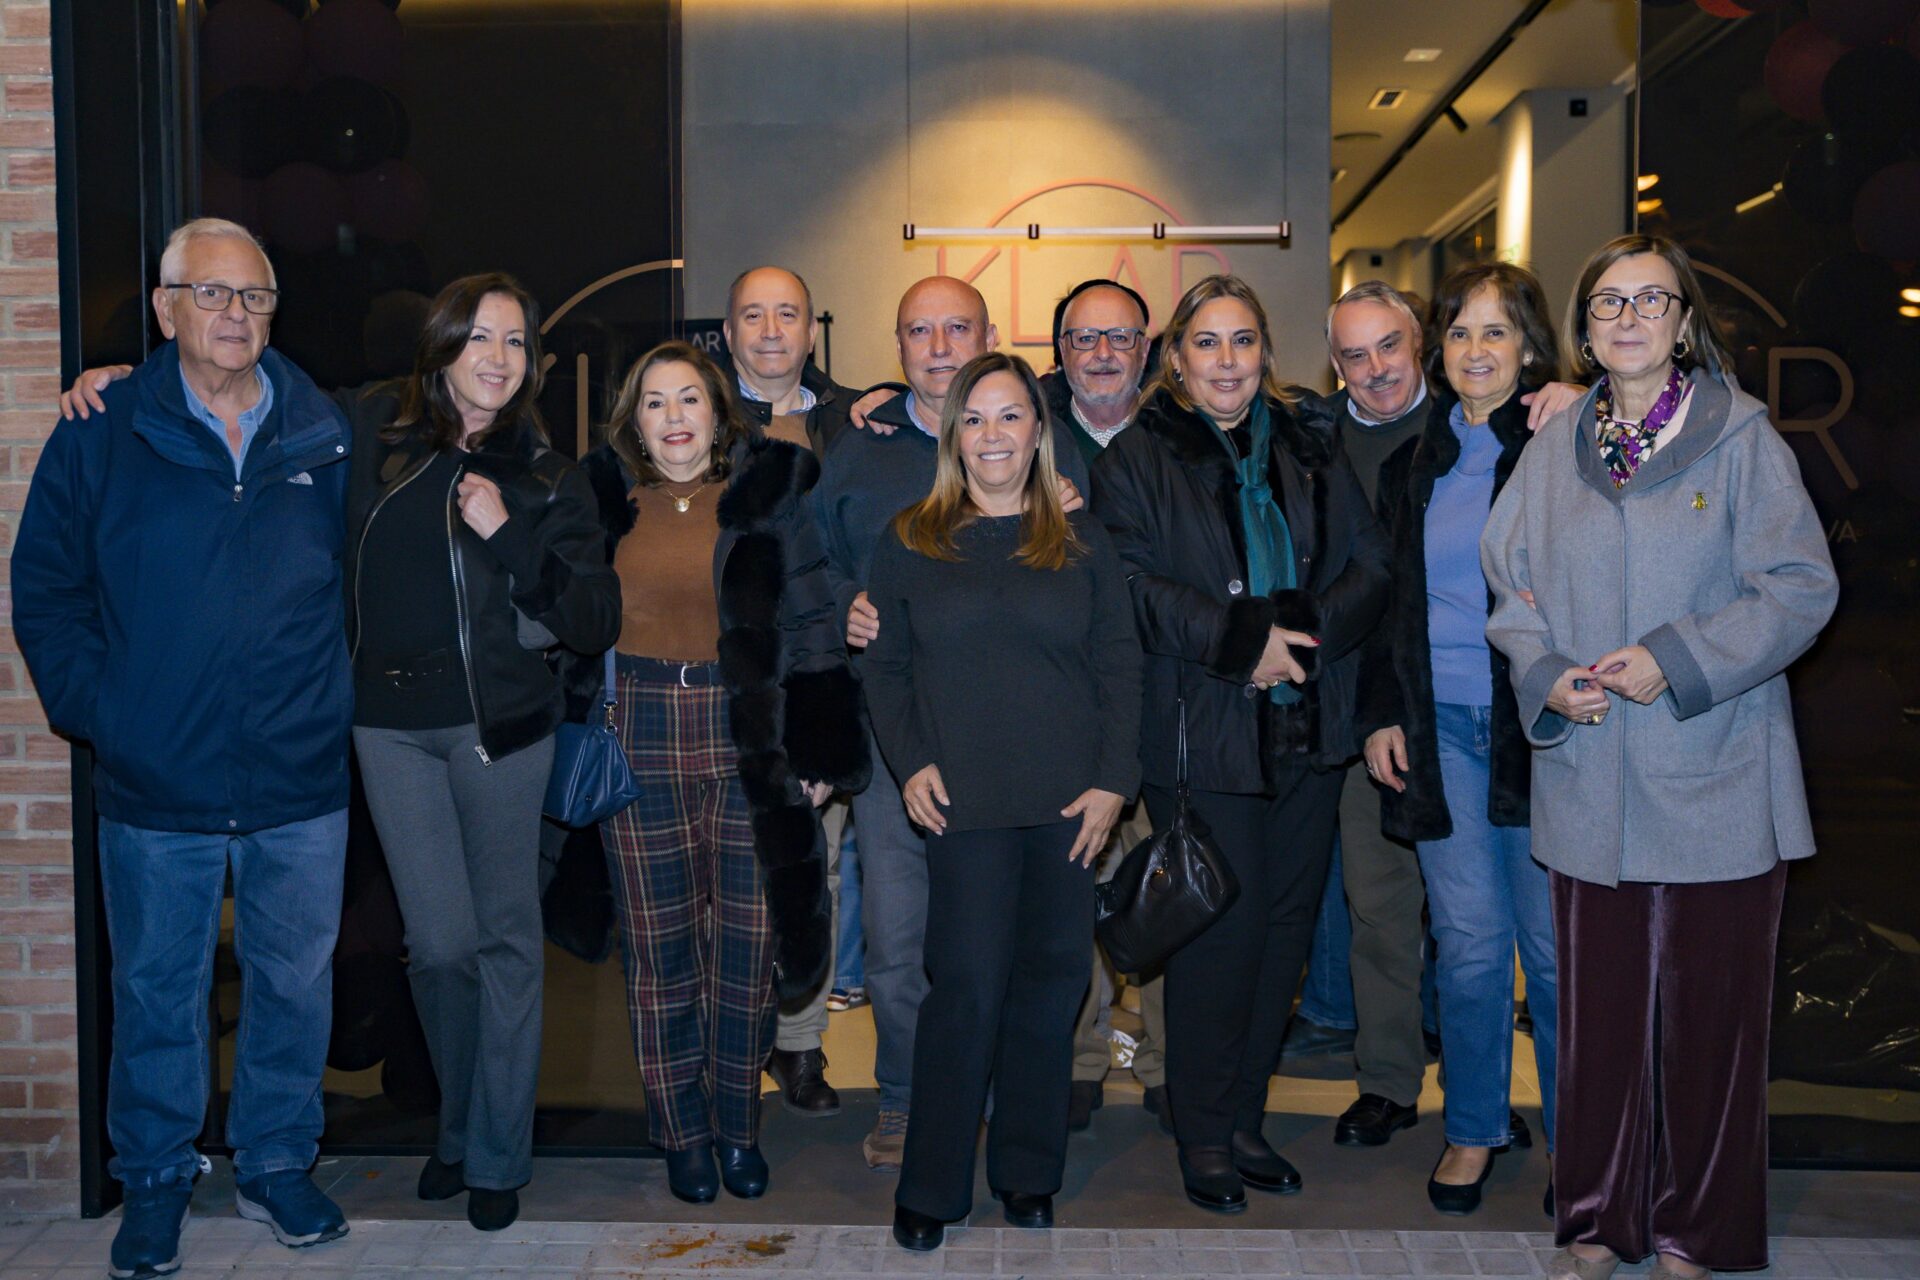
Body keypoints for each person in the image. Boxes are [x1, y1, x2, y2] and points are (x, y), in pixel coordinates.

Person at [1481, 235, 1837, 1280]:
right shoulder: (1553, 446)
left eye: (1651, 300)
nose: (1629, 318)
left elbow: (1800, 588)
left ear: (1684, 322)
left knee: (1710, 1030)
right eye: (1609, 302)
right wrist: (1546, 671)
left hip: (1718, 775)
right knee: (1595, 1027)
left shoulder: (1744, 439)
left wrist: (1676, 659)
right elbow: (1509, 588)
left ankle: (1698, 1230)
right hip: (1590, 784)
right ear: (1585, 329)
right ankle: (1599, 1218)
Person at [14, 218, 355, 1277]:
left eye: (254, 296)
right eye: (210, 293)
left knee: (293, 983)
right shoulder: (101, 427)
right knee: (158, 990)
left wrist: (329, 705)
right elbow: (46, 588)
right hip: (155, 773)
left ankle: (276, 1161)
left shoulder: (325, 429)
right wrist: (108, 709)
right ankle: (157, 1179)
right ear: (165, 310)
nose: (234, 314)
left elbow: (359, 582)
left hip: (298, 775)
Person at [1092, 274, 1389, 1213]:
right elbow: (1129, 587)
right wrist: (1241, 642)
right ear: (1176, 359)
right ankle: (1205, 1131)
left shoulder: (1310, 440)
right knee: (1219, 939)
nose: (1228, 361)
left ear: (1267, 352)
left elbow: (1371, 562)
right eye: (1208, 343)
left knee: (1284, 936)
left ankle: (1247, 1116)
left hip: (1308, 728)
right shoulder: (1137, 455)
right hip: (1204, 733)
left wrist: (1298, 641)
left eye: (1244, 341)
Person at [341, 273, 620, 1230]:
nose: (498, 359)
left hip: (499, 732)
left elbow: (593, 618)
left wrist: (509, 539)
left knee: (503, 941)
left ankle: (494, 1152)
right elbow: (260, 390)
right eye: (479, 338)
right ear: (443, 346)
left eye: (515, 342)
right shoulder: (376, 442)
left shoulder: (548, 478)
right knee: (438, 948)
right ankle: (459, 1122)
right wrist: (130, 376)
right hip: (387, 729)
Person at [863, 352, 1142, 1251]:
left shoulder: (1081, 540)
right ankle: (932, 1185)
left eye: (1011, 416)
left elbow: (1119, 664)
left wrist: (1114, 782)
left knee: (1051, 988)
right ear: (954, 435)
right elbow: (886, 668)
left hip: (1069, 805)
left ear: (1036, 431)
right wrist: (909, 764)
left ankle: (1028, 1173)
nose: (993, 435)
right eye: (976, 418)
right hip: (963, 805)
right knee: (966, 992)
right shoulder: (911, 539)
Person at [580, 340, 867, 1204]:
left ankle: (738, 1128)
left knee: (747, 950)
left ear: (718, 413)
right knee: (658, 953)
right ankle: (682, 1134)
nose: (674, 417)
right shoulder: (601, 503)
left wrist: (819, 751)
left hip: (749, 738)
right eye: (655, 401)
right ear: (634, 422)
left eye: (689, 399)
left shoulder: (768, 499)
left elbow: (813, 623)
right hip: (637, 735)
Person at [811, 275, 1088, 1170]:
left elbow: (1093, 603)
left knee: (1001, 948)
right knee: (900, 943)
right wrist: (845, 603)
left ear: (990, 335)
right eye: (918, 331)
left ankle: (1001, 1104)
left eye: (956, 328)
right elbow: (810, 561)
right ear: (896, 347)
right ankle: (906, 1098)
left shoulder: (1042, 452)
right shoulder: (859, 448)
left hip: (1015, 755)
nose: (938, 347)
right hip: (901, 742)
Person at [1359, 262, 1562, 1216]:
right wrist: (1381, 714)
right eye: (1459, 332)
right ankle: (1474, 1128)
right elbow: (1386, 605)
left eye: (1496, 330)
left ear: (1529, 345)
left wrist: (1585, 399)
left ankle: (1582, 1144)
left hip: (1546, 731)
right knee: (1472, 948)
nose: (1476, 350)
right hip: (1438, 729)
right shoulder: (1413, 466)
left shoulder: (1565, 445)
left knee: (1554, 954)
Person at [720, 264, 859, 1118]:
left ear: (813, 330)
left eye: (788, 315)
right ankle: (732, 1045)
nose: (771, 331)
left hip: (825, 679)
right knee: (731, 887)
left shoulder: (856, 422)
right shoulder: (695, 412)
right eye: (753, 315)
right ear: (727, 332)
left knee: (818, 872)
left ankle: (800, 1044)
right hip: (730, 687)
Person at [1041, 279, 1169, 1133]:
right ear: (1058, 353)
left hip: (1168, 695)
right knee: (1073, 887)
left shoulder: (1180, 432)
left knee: (1165, 883)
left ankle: (1164, 1062)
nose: (1102, 353)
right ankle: (1081, 1059)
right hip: (1064, 703)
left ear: (1146, 348)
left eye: (1120, 337)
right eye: (1084, 338)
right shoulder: (1026, 432)